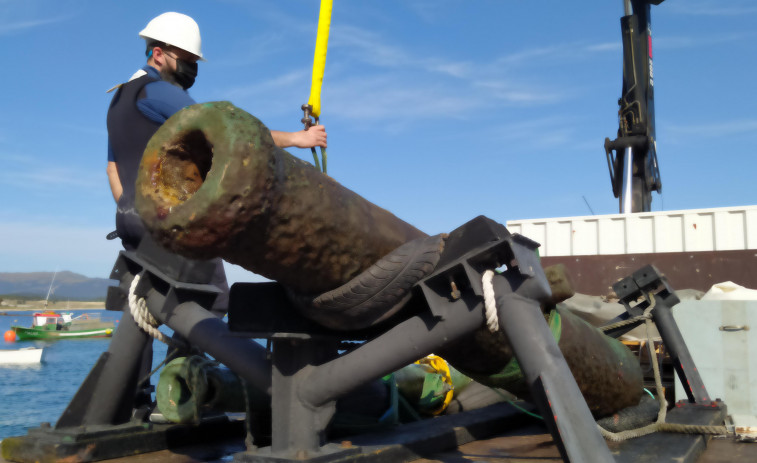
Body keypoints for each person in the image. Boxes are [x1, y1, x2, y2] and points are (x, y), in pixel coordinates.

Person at [106, 12, 328, 310]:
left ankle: (146, 357)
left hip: (130, 218)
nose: (192, 68)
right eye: (186, 59)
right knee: (214, 300)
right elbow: (228, 131)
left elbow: (112, 168)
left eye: (195, 62)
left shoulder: (120, 99)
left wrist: (131, 210)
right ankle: (188, 358)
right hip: (171, 217)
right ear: (158, 54)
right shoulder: (158, 92)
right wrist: (298, 138)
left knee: (147, 302)